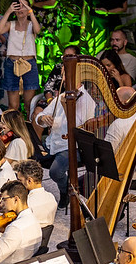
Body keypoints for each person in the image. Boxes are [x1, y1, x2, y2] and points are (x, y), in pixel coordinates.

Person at [36, 79, 97, 207]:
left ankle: (65, 191)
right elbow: (40, 116)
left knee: (55, 172)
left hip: (73, 146)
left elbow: (79, 127)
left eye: (67, 74)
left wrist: (66, 106)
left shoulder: (87, 101)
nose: (64, 79)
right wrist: (42, 118)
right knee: (31, 157)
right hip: (52, 142)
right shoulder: (61, 97)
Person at [0, 0, 41, 111]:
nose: (21, 9)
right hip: (12, 63)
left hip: (29, 64)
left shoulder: (31, 24)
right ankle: (13, 127)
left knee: (29, 104)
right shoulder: (10, 24)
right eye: (18, 6)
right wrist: (9, 11)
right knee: (13, 105)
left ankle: (29, 127)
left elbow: (38, 30)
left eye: (23, 6)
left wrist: (30, 12)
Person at [13, 159, 57, 228]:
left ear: (29, 180)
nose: (18, 183)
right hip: (42, 237)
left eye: (20, 180)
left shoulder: (27, 204)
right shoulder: (51, 198)